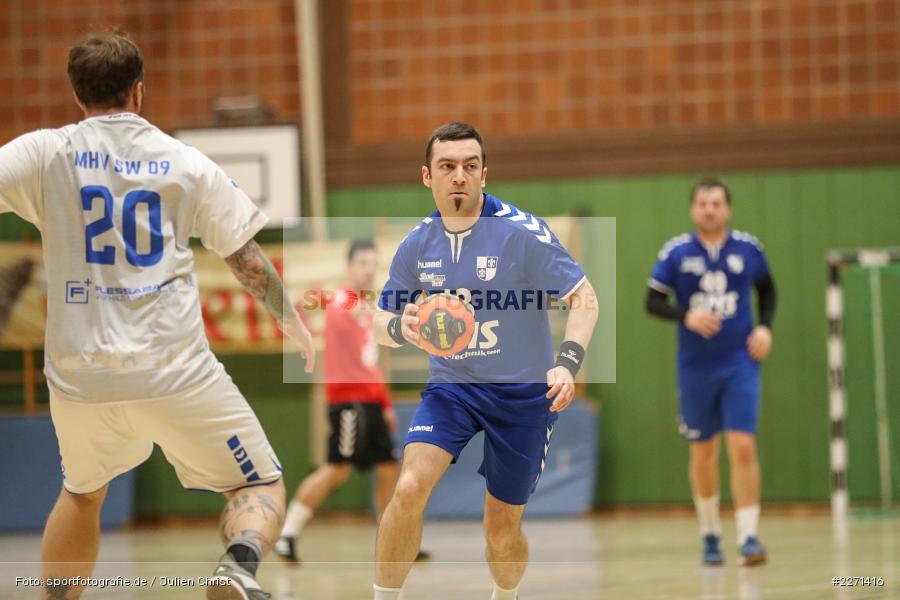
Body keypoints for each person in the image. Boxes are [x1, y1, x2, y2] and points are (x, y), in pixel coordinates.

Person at [0, 32, 315, 600]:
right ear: (139, 92)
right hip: (173, 369)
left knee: (81, 493)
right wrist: (289, 318)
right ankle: (237, 569)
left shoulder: (43, 152)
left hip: (79, 375)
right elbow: (246, 258)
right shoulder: (183, 160)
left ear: (77, 96)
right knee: (259, 480)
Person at [371, 122, 599, 600]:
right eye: (448, 167)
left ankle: (505, 596)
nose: (459, 176)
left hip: (521, 397)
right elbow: (380, 318)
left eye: (470, 166)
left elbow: (584, 298)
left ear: (484, 174)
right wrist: (400, 327)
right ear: (426, 176)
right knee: (409, 487)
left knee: (501, 530)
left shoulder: (521, 233)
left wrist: (567, 362)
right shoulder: (417, 244)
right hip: (453, 389)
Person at [645, 178, 776, 567]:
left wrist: (765, 327)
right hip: (696, 367)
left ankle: (749, 537)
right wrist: (687, 314)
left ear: (728, 208)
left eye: (716, 203)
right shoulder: (676, 252)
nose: (709, 209)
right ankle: (710, 535)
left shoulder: (749, 249)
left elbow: (768, 290)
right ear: (693, 210)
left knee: (743, 446)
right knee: (703, 450)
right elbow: (652, 301)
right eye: (702, 203)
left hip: (740, 362)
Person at [275, 239, 429, 563]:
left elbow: (372, 361)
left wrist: (386, 405)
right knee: (336, 469)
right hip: (349, 402)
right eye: (363, 263)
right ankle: (287, 535)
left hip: (371, 402)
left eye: (374, 264)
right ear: (349, 267)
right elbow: (332, 306)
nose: (369, 270)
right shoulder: (343, 302)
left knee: (389, 469)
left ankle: (392, 538)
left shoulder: (368, 306)